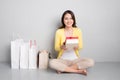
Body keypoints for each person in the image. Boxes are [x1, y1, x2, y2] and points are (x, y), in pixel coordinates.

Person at [49, 10, 94, 75]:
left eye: (71, 18)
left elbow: (81, 46)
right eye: (66, 19)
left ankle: (64, 69)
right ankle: (78, 71)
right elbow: (56, 48)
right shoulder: (59, 32)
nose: (69, 21)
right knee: (51, 62)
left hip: (75, 60)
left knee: (91, 62)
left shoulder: (78, 31)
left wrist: (77, 47)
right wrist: (61, 47)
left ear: (73, 20)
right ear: (63, 20)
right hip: (63, 60)